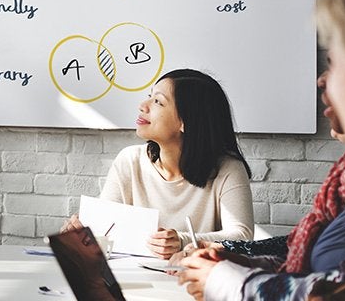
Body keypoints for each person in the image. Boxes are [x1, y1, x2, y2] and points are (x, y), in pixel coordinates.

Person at [179, 0, 345, 300]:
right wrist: (242, 263)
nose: (321, 80)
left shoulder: (227, 167)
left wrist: (227, 280)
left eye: (332, 62)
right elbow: (312, 265)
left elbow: (337, 291)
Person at [168, 69, 345, 278]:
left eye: (336, 65)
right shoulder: (342, 180)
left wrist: (233, 282)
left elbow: (333, 286)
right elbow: (292, 249)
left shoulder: (227, 167)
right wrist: (228, 253)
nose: (321, 80)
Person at [62, 68, 254, 258]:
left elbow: (242, 236)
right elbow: (105, 232)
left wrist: (182, 241)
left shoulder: (228, 169)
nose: (142, 106)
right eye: (149, 96)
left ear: (185, 122)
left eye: (158, 102)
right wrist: (83, 235)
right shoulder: (129, 161)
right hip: (131, 274)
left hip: (192, 275)